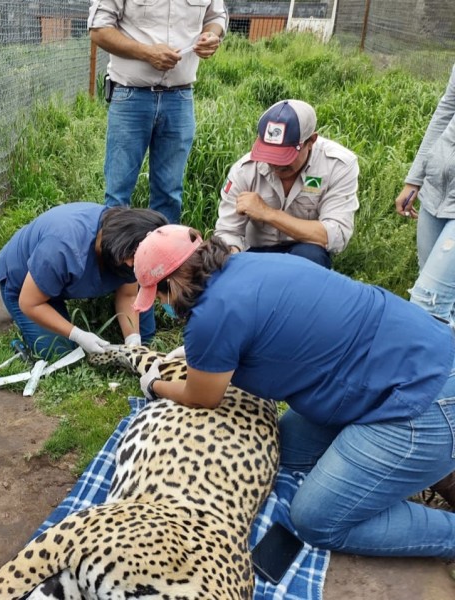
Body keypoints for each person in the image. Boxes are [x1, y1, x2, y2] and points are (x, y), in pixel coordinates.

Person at [132, 224, 455, 558]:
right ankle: (421, 468)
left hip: (423, 396)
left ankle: (441, 510)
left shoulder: (211, 315)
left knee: (316, 519)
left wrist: (154, 384)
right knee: (288, 450)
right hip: (410, 357)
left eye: (159, 294)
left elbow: (201, 396)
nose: (162, 304)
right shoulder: (248, 264)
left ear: (173, 281)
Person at [88, 0, 228, 224]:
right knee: (117, 194)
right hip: (131, 97)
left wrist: (212, 35)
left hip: (180, 98)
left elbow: (215, 18)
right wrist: (146, 52)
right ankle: (113, 256)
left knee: (169, 193)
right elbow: (99, 30)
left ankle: (164, 256)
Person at [0, 203, 167, 359]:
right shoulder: (63, 247)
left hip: (56, 277)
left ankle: (55, 293)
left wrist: (132, 338)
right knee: (60, 353)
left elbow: (128, 295)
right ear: (118, 249)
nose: (132, 265)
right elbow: (29, 303)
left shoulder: (131, 244)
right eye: (132, 260)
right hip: (21, 283)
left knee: (146, 338)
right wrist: (78, 335)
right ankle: (34, 320)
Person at [215, 99, 359, 269]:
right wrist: (231, 252)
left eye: (285, 155)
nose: (276, 164)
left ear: (311, 141)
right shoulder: (244, 170)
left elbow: (336, 236)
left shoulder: (337, 165)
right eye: (270, 154)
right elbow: (227, 232)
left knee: (312, 255)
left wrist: (269, 214)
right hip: (255, 253)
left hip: (303, 251)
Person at [395, 63, 455, 327]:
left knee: (428, 302)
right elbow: (445, 110)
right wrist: (415, 177)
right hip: (437, 190)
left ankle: (423, 368)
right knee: (439, 296)